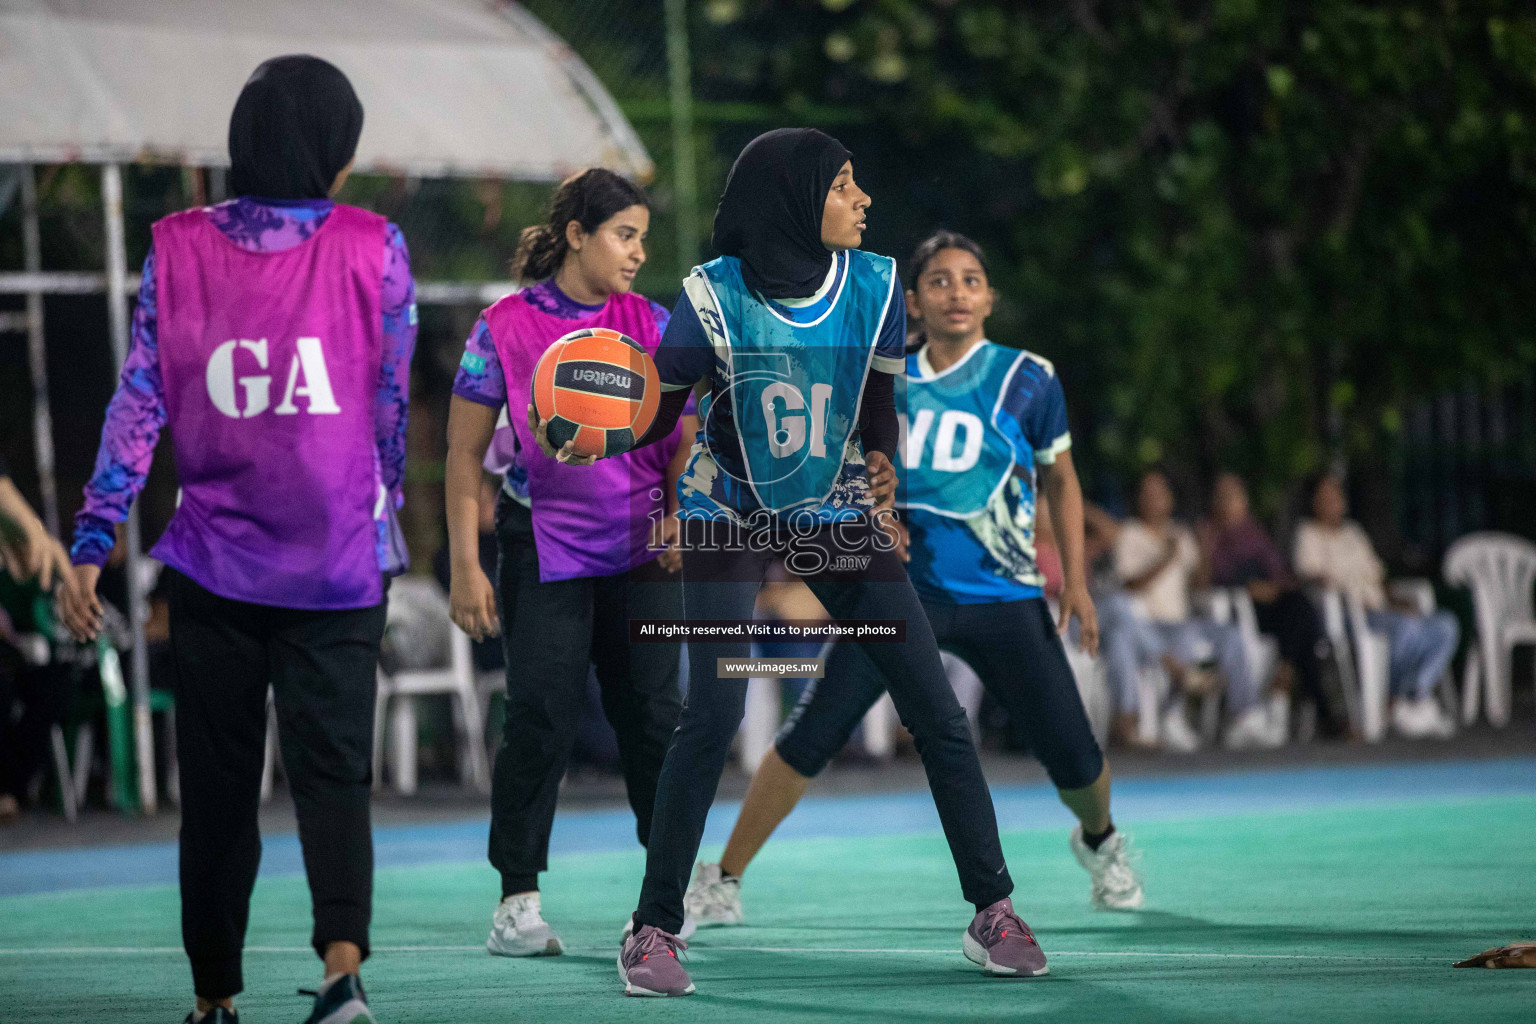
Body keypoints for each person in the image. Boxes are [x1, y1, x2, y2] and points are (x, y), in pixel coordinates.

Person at [535, 129, 1045, 995]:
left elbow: (876, 400)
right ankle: (653, 928)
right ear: (794, 199)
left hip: (831, 510)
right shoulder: (713, 297)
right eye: (844, 185)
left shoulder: (878, 285)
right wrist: (602, 429)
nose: (863, 199)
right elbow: (661, 413)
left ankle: (992, 909)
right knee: (715, 714)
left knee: (935, 706)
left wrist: (881, 461)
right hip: (726, 507)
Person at [58, 56, 415, 1024]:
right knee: (334, 775)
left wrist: (92, 539)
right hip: (339, 562)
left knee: (216, 789)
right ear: (333, 148)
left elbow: (140, 403)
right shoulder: (374, 246)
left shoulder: (174, 248)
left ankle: (214, 996)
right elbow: (388, 411)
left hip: (214, 564)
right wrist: (387, 524)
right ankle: (344, 974)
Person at [679, 230, 1140, 939]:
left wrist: (1075, 582)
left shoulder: (1029, 377)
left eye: (972, 279)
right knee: (812, 733)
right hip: (904, 593)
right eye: (940, 281)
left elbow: (1062, 478)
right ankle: (725, 876)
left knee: (1075, 756)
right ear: (914, 301)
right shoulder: (878, 377)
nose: (958, 291)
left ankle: (1102, 839)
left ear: (990, 296)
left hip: (1004, 593)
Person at [444, 168, 693, 958]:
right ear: (578, 234)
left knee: (653, 722)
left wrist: (685, 512)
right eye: (625, 234)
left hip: (643, 547)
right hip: (541, 542)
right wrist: (463, 564)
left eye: (643, 238)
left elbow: (687, 437)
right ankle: (517, 900)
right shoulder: (504, 327)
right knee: (540, 719)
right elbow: (461, 451)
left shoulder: (654, 323)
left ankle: (662, 905)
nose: (637, 252)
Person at [1108, 469, 1278, 752]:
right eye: (1148, 495)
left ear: (1170, 499)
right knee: (1181, 641)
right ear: (1138, 500)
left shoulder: (1181, 535)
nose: (1154, 500)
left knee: (1232, 636)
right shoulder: (1130, 534)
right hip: (1148, 624)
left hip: (1184, 621)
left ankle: (1244, 716)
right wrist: (1165, 557)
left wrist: (1205, 550)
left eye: (1160, 494)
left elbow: (1199, 586)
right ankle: (1172, 715)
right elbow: (1129, 586)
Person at [1294, 474, 1458, 738]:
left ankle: (1413, 695)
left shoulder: (1354, 533)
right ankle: (1394, 700)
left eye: (1336, 495)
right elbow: (1308, 576)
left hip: (1380, 609)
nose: (1333, 501)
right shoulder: (1308, 534)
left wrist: (1398, 602)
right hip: (1348, 615)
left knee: (1445, 625)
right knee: (1405, 629)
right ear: (1313, 503)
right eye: (1325, 497)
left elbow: (1378, 578)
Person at [1203, 472, 1347, 737]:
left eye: (1233, 496)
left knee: (1299, 609)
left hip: (1276, 605)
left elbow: (1279, 571)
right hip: (1242, 612)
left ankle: (1286, 673)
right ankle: (1318, 707)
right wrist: (1250, 588)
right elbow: (1214, 579)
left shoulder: (1254, 533)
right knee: (1302, 619)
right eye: (1222, 497)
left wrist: (1275, 587)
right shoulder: (1211, 536)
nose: (1228, 503)